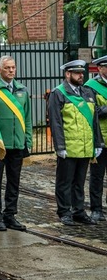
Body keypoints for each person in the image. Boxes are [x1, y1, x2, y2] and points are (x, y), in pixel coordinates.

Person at [48, 59, 104, 226]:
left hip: (86, 147)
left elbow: (94, 121)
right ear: (68, 74)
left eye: (82, 73)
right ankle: (64, 211)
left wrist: (97, 144)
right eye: (77, 73)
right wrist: (60, 146)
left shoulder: (87, 92)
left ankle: (78, 211)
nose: (81, 76)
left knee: (79, 182)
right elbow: (56, 122)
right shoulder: (58, 93)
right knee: (65, 182)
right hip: (69, 146)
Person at [0, 56, 32, 231]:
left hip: (18, 143)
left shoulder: (22, 90)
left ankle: (10, 214)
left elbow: (27, 117)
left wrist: (28, 139)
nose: (11, 71)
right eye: (7, 68)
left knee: (14, 181)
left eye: (13, 67)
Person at [85, 55, 107, 221]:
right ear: (100, 69)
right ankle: (96, 209)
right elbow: (91, 111)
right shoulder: (91, 87)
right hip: (101, 139)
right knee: (97, 176)